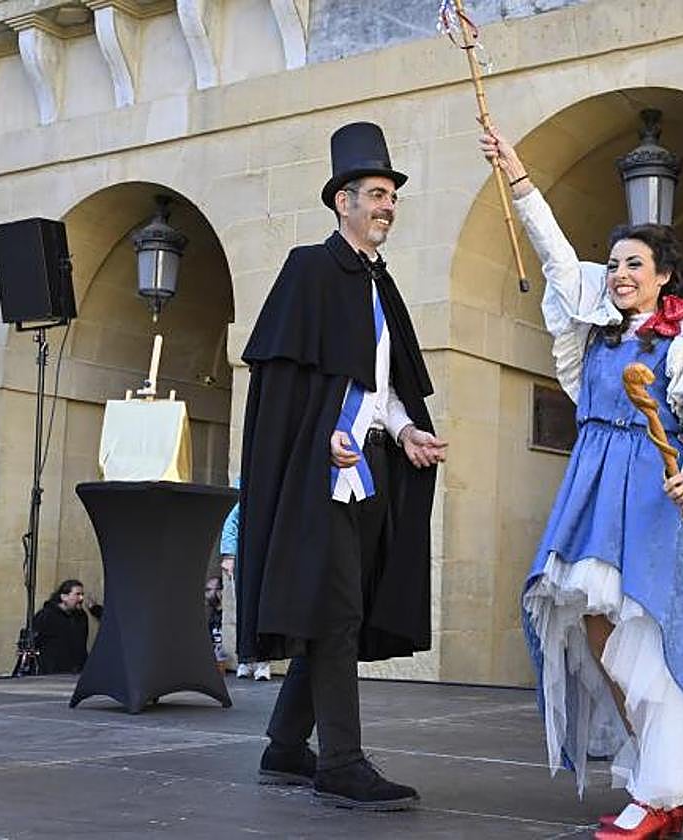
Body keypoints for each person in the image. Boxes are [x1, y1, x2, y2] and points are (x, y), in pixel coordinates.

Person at [481, 128, 683, 839]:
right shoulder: (594, 338)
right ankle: (650, 774)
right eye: (616, 265)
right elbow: (558, 260)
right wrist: (519, 179)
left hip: (656, 499)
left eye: (635, 264)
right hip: (595, 492)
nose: (620, 274)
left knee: (657, 639)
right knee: (600, 627)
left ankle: (664, 794)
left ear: (665, 275)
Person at [237, 122, 447, 809]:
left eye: (392, 196)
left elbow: (377, 387)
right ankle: (341, 762)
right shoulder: (309, 269)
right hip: (320, 471)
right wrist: (319, 435)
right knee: (336, 611)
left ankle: (285, 746)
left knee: (342, 610)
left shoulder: (378, 286)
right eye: (377, 194)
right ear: (343, 202)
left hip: (373, 470)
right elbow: (288, 385)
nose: (387, 206)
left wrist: (410, 429)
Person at [218, 483, 270, 680]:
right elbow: (232, 523)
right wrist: (229, 555)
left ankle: (263, 661)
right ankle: (245, 659)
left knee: (265, 611)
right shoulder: (246, 496)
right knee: (244, 610)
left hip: (266, 559)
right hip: (246, 560)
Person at [33, 579, 102, 675]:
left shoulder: (81, 616)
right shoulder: (46, 616)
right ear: (64, 597)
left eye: (82, 594)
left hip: (77, 671)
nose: (81, 598)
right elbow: (35, 641)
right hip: (53, 672)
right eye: (77, 594)